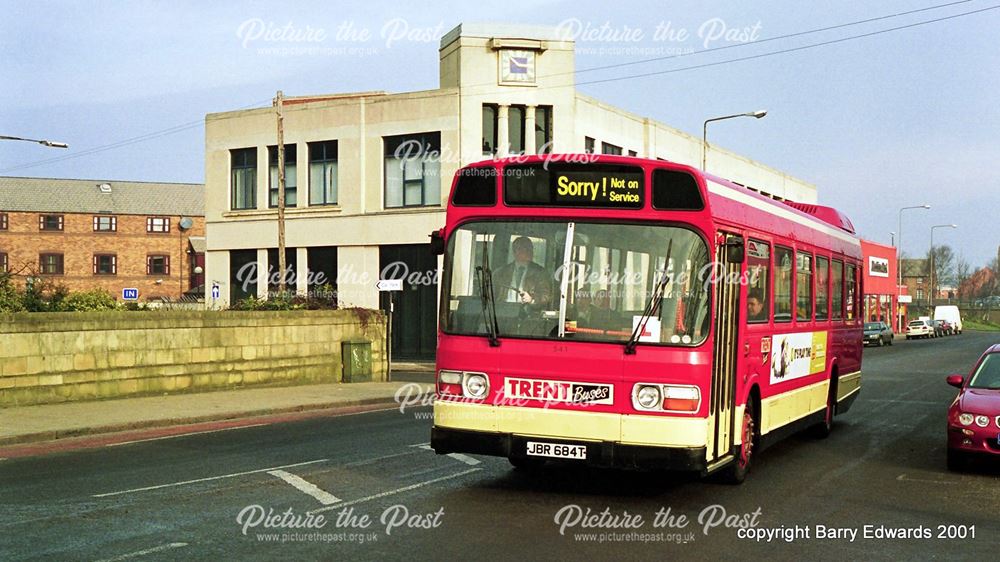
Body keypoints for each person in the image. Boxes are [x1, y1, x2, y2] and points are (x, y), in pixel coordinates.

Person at [494, 236, 553, 308]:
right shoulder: (500, 273)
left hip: (529, 315)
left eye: (530, 249)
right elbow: (492, 296)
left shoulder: (540, 273)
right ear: (515, 252)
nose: (529, 252)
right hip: (503, 314)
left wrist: (532, 300)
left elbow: (546, 297)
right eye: (523, 249)